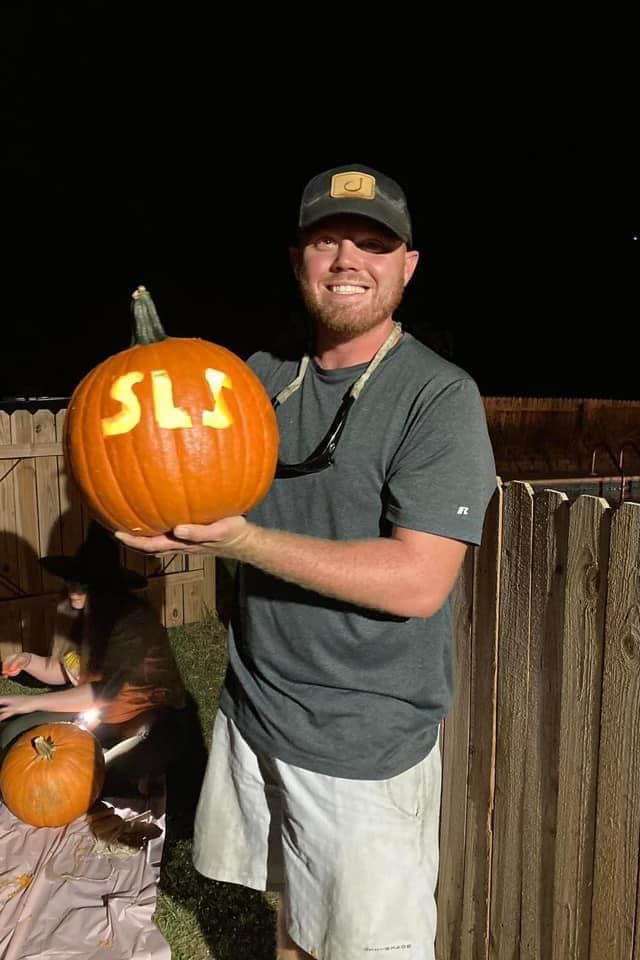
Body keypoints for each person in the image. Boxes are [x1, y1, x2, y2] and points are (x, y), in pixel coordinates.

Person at [116, 163, 497, 959]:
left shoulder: (437, 398)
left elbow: (420, 582)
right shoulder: (257, 384)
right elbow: (168, 449)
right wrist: (150, 515)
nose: (348, 260)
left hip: (360, 741)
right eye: (327, 242)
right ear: (299, 261)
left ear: (408, 265)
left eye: (373, 244)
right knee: (291, 919)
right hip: (258, 713)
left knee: (360, 945)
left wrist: (244, 542)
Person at [0, 521, 188, 795]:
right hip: (97, 716)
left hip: (146, 717)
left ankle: (126, 774)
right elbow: (64, 669)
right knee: (13, 735)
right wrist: (28, 660)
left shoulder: (133, 622)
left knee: (131, 762)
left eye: (85, 583)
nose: (74, 588)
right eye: (73, 580)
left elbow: (102, 692)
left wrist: (30, 701)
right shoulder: (83, 617)